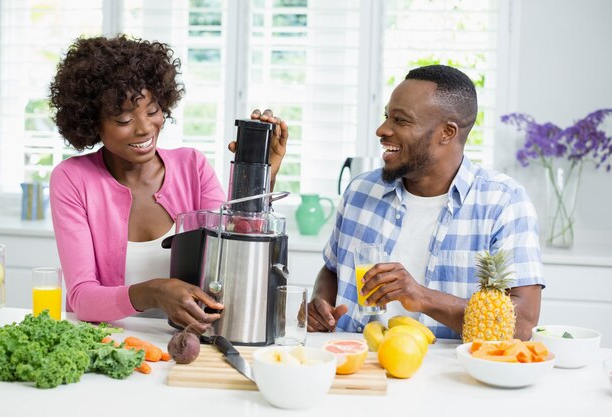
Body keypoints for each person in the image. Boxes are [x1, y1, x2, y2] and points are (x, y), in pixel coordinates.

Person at [48, 35, 288, 333]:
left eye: (152, 111)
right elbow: (82, 297)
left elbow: (234, 249)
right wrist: (154, 292)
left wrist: (259, 177)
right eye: (124, 120)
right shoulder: (73, 179)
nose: (145, 128)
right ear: (91, 122)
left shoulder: (192, 166)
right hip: (108, 347)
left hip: (191, 344)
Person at [307, 65, 544, 340]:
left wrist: (423, 297)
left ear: (447, 132)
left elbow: (523, 322)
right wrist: (319, 305)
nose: (382, 130)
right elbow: (332, 270)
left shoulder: (502, 202)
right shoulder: (360, 191)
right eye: (387, 116)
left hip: (450, 375)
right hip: (356, 368)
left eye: (401, 120)